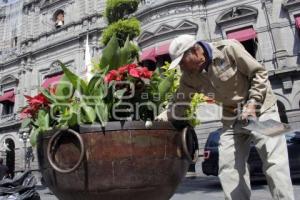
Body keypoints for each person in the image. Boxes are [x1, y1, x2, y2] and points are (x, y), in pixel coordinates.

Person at [157, 34, 295, 200]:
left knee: (275, 163)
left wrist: (252, 104)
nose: (181, 69)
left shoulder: (229, 48)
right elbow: (178, 104)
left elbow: (259, 73)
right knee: (228, 167)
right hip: (231, 116)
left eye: (182, 62)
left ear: (195, 51)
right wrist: (160, 120)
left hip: (262, 109)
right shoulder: (189, 77)